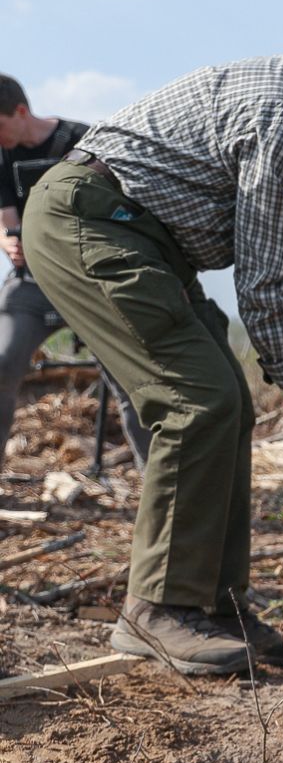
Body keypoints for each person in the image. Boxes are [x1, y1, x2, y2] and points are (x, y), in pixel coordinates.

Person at [24, 29, 283, 675]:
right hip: (92, 218)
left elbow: (247, 205)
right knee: (197, 399)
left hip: (142, 232)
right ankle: (156, 608)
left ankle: (214, 604)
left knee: (228, 403)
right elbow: (261, 282)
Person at [0, 76, 150, 469]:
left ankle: (163, 484)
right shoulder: (1, 154)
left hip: (89, 283)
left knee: (129, 375)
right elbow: (7, 221)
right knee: (2, 360)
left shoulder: (82, 140)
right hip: (31, 285)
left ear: (20, 111)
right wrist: (8, 241)